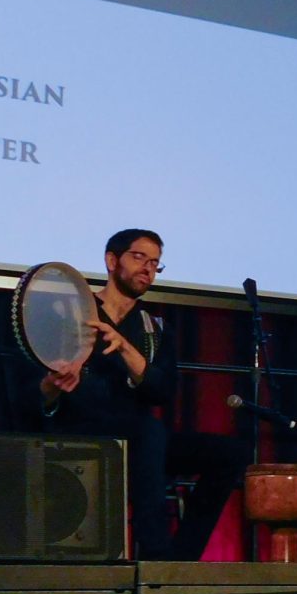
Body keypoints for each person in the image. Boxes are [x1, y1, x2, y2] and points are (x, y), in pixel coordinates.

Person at [37, 229, 247, 560]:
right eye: (138, 258)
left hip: (141, 438)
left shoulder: (154, 328)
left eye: (155, 263)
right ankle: (154, 553)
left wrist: (125, 349)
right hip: (80, 430)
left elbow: (163, 392)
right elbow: (37, 393)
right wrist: (51, 386)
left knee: (230, 453)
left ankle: (183, 558)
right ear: (111, 260)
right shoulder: (71, 313)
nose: (147, 268)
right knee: (148, 432)